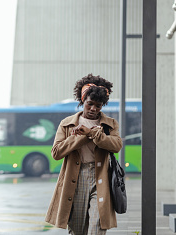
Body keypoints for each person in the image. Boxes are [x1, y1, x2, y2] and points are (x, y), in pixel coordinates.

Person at [45, 74, 123, 235]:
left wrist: (95, 134)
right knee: (77, 229)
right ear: (82, 101)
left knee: (98, 227)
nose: (94, 109)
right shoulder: (67, 124)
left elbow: (116, 146)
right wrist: (80, 137)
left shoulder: (110, 124)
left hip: (100, 178)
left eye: (99, 105)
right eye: (90, 104)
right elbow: (56, 153)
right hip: (75, 178)